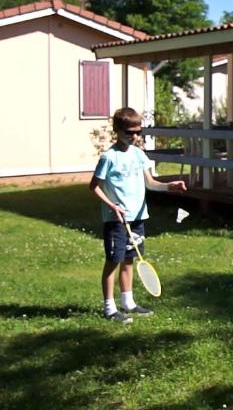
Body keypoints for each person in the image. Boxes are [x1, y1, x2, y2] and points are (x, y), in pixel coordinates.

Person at [90, 107, 187, 323]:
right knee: (113, 261)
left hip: (137, 218)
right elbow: (94, 187)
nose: (134, 137)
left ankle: (128, 303)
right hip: (116, 220)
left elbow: (151, 184)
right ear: (117, 130)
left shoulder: (138, 155)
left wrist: (170, 186)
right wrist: (112, 206)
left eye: (138, 132)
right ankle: (109, 308)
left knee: (129, 260)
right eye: (129, 132)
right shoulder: (109, 157)